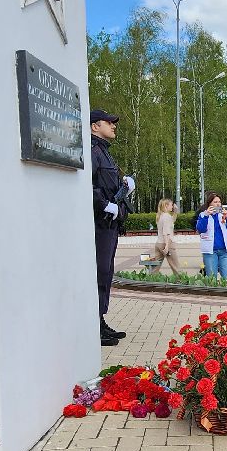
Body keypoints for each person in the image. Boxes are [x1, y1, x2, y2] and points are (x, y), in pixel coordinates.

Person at [91, 108, 131, 346]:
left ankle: (100, 320)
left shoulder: (104, 152)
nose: (113, 125)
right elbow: (89, 186)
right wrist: (106, 206)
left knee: (106, 273)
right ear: (95, 126)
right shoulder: (93, 151)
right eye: (109, 122)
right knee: (99, 272)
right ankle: (95, 324)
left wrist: (124, 186)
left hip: (109, 225)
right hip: (99, 223)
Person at [196, 192, 227, 279]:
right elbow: (201, 229)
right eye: (215, 202)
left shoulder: (224, 214)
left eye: (219, 202)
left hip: (225, 250)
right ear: (209, 203)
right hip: (210, 251)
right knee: (211, 277)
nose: (218, 203)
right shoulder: (203, 215)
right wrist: (206, 215)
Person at [146, 198, 182, 275]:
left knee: (155, 268)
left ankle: (150, 281)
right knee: (176, 267)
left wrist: (175, 212)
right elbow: (166, 233)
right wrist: (167, 246)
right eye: (171, 205)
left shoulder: (160, 215)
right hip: (167, 244)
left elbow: (172, 221)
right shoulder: (167, 216)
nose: (172, 206)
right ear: (166, 205)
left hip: (158, 244)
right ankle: (181, 283)